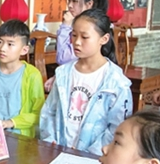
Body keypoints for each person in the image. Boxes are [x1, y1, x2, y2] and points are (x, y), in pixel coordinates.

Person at [40, 9, 132, 155]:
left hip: (95, 157)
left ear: (104, 39)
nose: (77, 42)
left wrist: (91, 152)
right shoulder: (63, 74)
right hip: (58, 151)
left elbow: (117, 127)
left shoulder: (116, 82)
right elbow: (49, 112)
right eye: (74, 35)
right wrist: (51, 141)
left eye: (85, 37)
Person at [0, 19, 45, 137]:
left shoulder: (32, 75)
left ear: (24, 50)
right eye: (0, 41)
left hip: (21, 138)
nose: (2, 48)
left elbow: (38, 113)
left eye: (10, 44)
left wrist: (10, 123)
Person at [56, 0, 108, 66]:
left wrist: (65, 26)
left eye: (74, 1)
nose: (69, 5)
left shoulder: (91, 27)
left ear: (89, 4)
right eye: (69, 1)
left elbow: (63, 59)